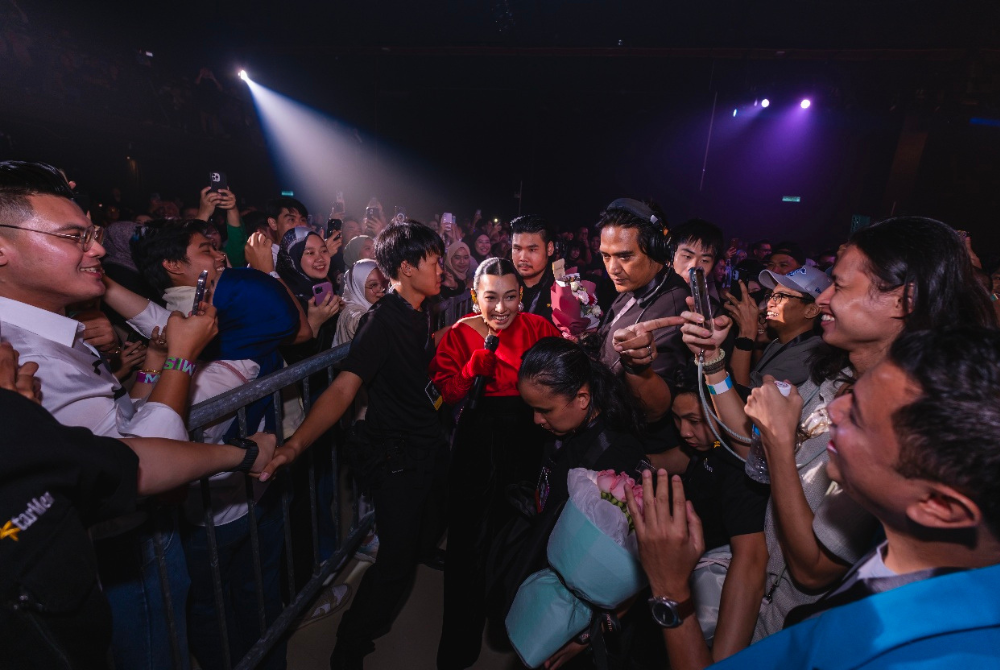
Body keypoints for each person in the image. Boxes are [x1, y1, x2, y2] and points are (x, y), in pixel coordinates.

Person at [653, 216, 998, 641]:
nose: (824, 299)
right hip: (761, 611)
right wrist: (712, 361)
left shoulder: (903, 428)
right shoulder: (831, 378)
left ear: (902, 300)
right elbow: (749, 448)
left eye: (840, 285)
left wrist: (779, 445)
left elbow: (813, 569)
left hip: (804, 628)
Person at [625, 325, 1000, 669]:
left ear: (939, 506)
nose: (833, 410)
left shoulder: (908, 651)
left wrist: (672, 593)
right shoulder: (893, 571)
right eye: (853, 392)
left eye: (860, 416)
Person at [0, 341, 277, 670]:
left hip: (98, 574)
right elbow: (131, 460)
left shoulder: (60, 344)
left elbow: (117, 444)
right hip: (112, 550)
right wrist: (180, 360)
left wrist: (154, 366)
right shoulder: (31, 352)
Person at [259, 221, 448, 669]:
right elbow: (344, 389)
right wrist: (294, 445)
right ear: (405, 267)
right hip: (396, 457)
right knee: (394, 566)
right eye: (434, 261)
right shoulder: (380, 321)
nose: (442, 269)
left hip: (427, 446)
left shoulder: (420, 311)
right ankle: (349, 647)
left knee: (423, 532)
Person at [429, 257, 560, 669]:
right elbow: (443, 395)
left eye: (509, 297)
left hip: (526, 437)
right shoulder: (459, 333)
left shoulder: (539, 328)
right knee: (467, 542)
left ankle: (506, 628)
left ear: (521, 296)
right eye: (491, 298)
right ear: (474, 297)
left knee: (516, 536)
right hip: (474, 439)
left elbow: (562, 379)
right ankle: (458, 646)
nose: (500, 308)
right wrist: (469, 371)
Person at [598, 201, 723, 432]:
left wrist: (638, 367)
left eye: (625, 256)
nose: (612, 268)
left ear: (657, 250)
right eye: (606, 256)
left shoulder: (675, 306)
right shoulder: (636, 285)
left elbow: (655, 410)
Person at [724, 265, 830, 389]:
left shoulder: (811, 355)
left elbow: (740, 396)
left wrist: (746, 334)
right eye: (771, 296)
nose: (770, 303)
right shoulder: (780, 342)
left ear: (811, 310)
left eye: (782, 296)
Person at [510, 214, 556, 322]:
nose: (523, 258)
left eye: (532, 250)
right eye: (517, 249)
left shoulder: (564, 287)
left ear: (549, 249)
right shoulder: (501, 280)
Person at [334, 258, 388, 348]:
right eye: (373, 285)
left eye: (384, 282)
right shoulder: (350, 313)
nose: (382, 289)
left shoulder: (376, 304)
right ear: (358, 286)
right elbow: (365, 326)